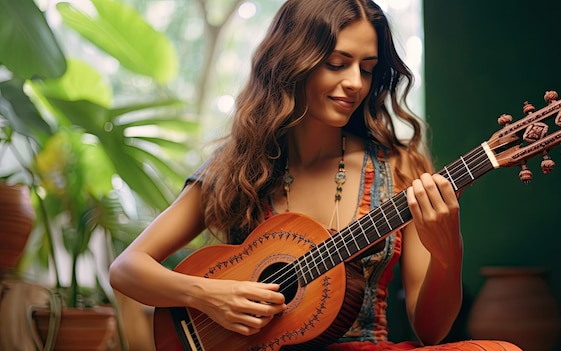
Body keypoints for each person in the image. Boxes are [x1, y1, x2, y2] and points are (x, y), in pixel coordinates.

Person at [109, 1, 522, 350]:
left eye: (367, 68)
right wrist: (212, 296)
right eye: (337, 64)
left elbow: (431, 330)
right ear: (293, 61)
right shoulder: (236, 167)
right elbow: (127, 269)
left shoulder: (402, 167)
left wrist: (449, 247)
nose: (354, 83)